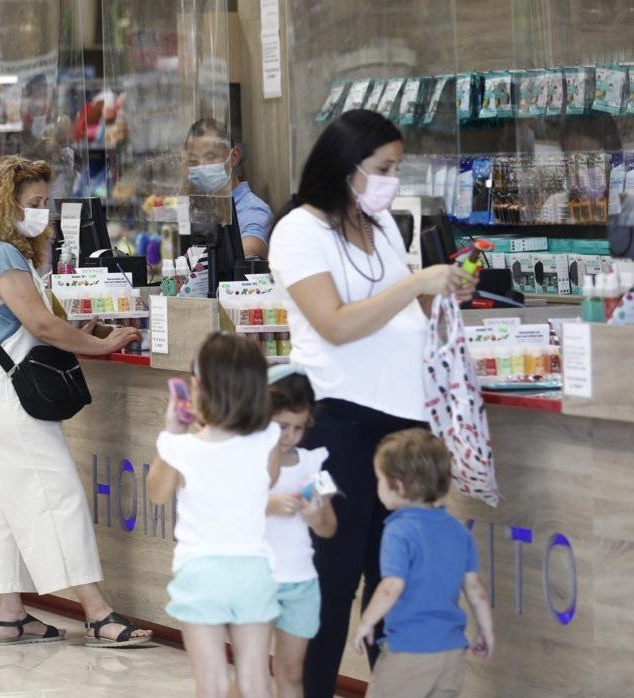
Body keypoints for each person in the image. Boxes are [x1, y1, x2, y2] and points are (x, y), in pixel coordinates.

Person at [266, 109, 475, 698]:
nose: (391, 179)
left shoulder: (381, 225)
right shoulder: (298, 232)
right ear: (345, 164)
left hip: (406, 428)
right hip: (341, 426)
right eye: (383, 168)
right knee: (332, 580)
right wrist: (413, 283)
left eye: (397, 168)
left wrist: (440, 295)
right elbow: (333, 323)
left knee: (395, 577)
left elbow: (402, 318)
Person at [0, 156, 150, 648]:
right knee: (57, 494)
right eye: (34, 203)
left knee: (3, 503)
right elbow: (41, 326)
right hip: (12, 399)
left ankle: (11, 615)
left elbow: (30, 325)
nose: (42, 212)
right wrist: (101, 345)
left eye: (46, 202)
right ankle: (98, 612)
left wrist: (79, 334)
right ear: (7, 205)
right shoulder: (1, 254)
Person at [148, 332, 280, 698]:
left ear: (203, 389)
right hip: (253, 570)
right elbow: (270, 480)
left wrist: (172, 433)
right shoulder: (269, 437)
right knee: (254, 679)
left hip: (201, 572)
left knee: (212, 683)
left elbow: (156, 493)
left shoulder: (181, 447)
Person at [353, 429, 495, 698]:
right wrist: (487, 631)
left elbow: (391, 586)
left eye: (380, 479)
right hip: (451, 652)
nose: (377, 486)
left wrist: (366, 622)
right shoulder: (458, 530)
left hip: (409, 651)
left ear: (399, 485)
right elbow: (476, 590)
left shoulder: (398, 530)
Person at [265, 367, 338, 698]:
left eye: (297, 427)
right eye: (281, 426)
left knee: (292, 672)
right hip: (256, 578)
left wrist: (315, 512)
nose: (289, 435)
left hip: (300, 581)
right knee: (250, 670)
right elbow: (231, 512)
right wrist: (270, 506)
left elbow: (328, 528)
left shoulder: (313, 464)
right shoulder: (246, 461)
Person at [183, 118, 273, 257]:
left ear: (234, 157)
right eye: (194, 161)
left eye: (210, 157)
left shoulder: (253, 210)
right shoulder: (201, 211)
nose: (201, 167)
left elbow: (250, 249)